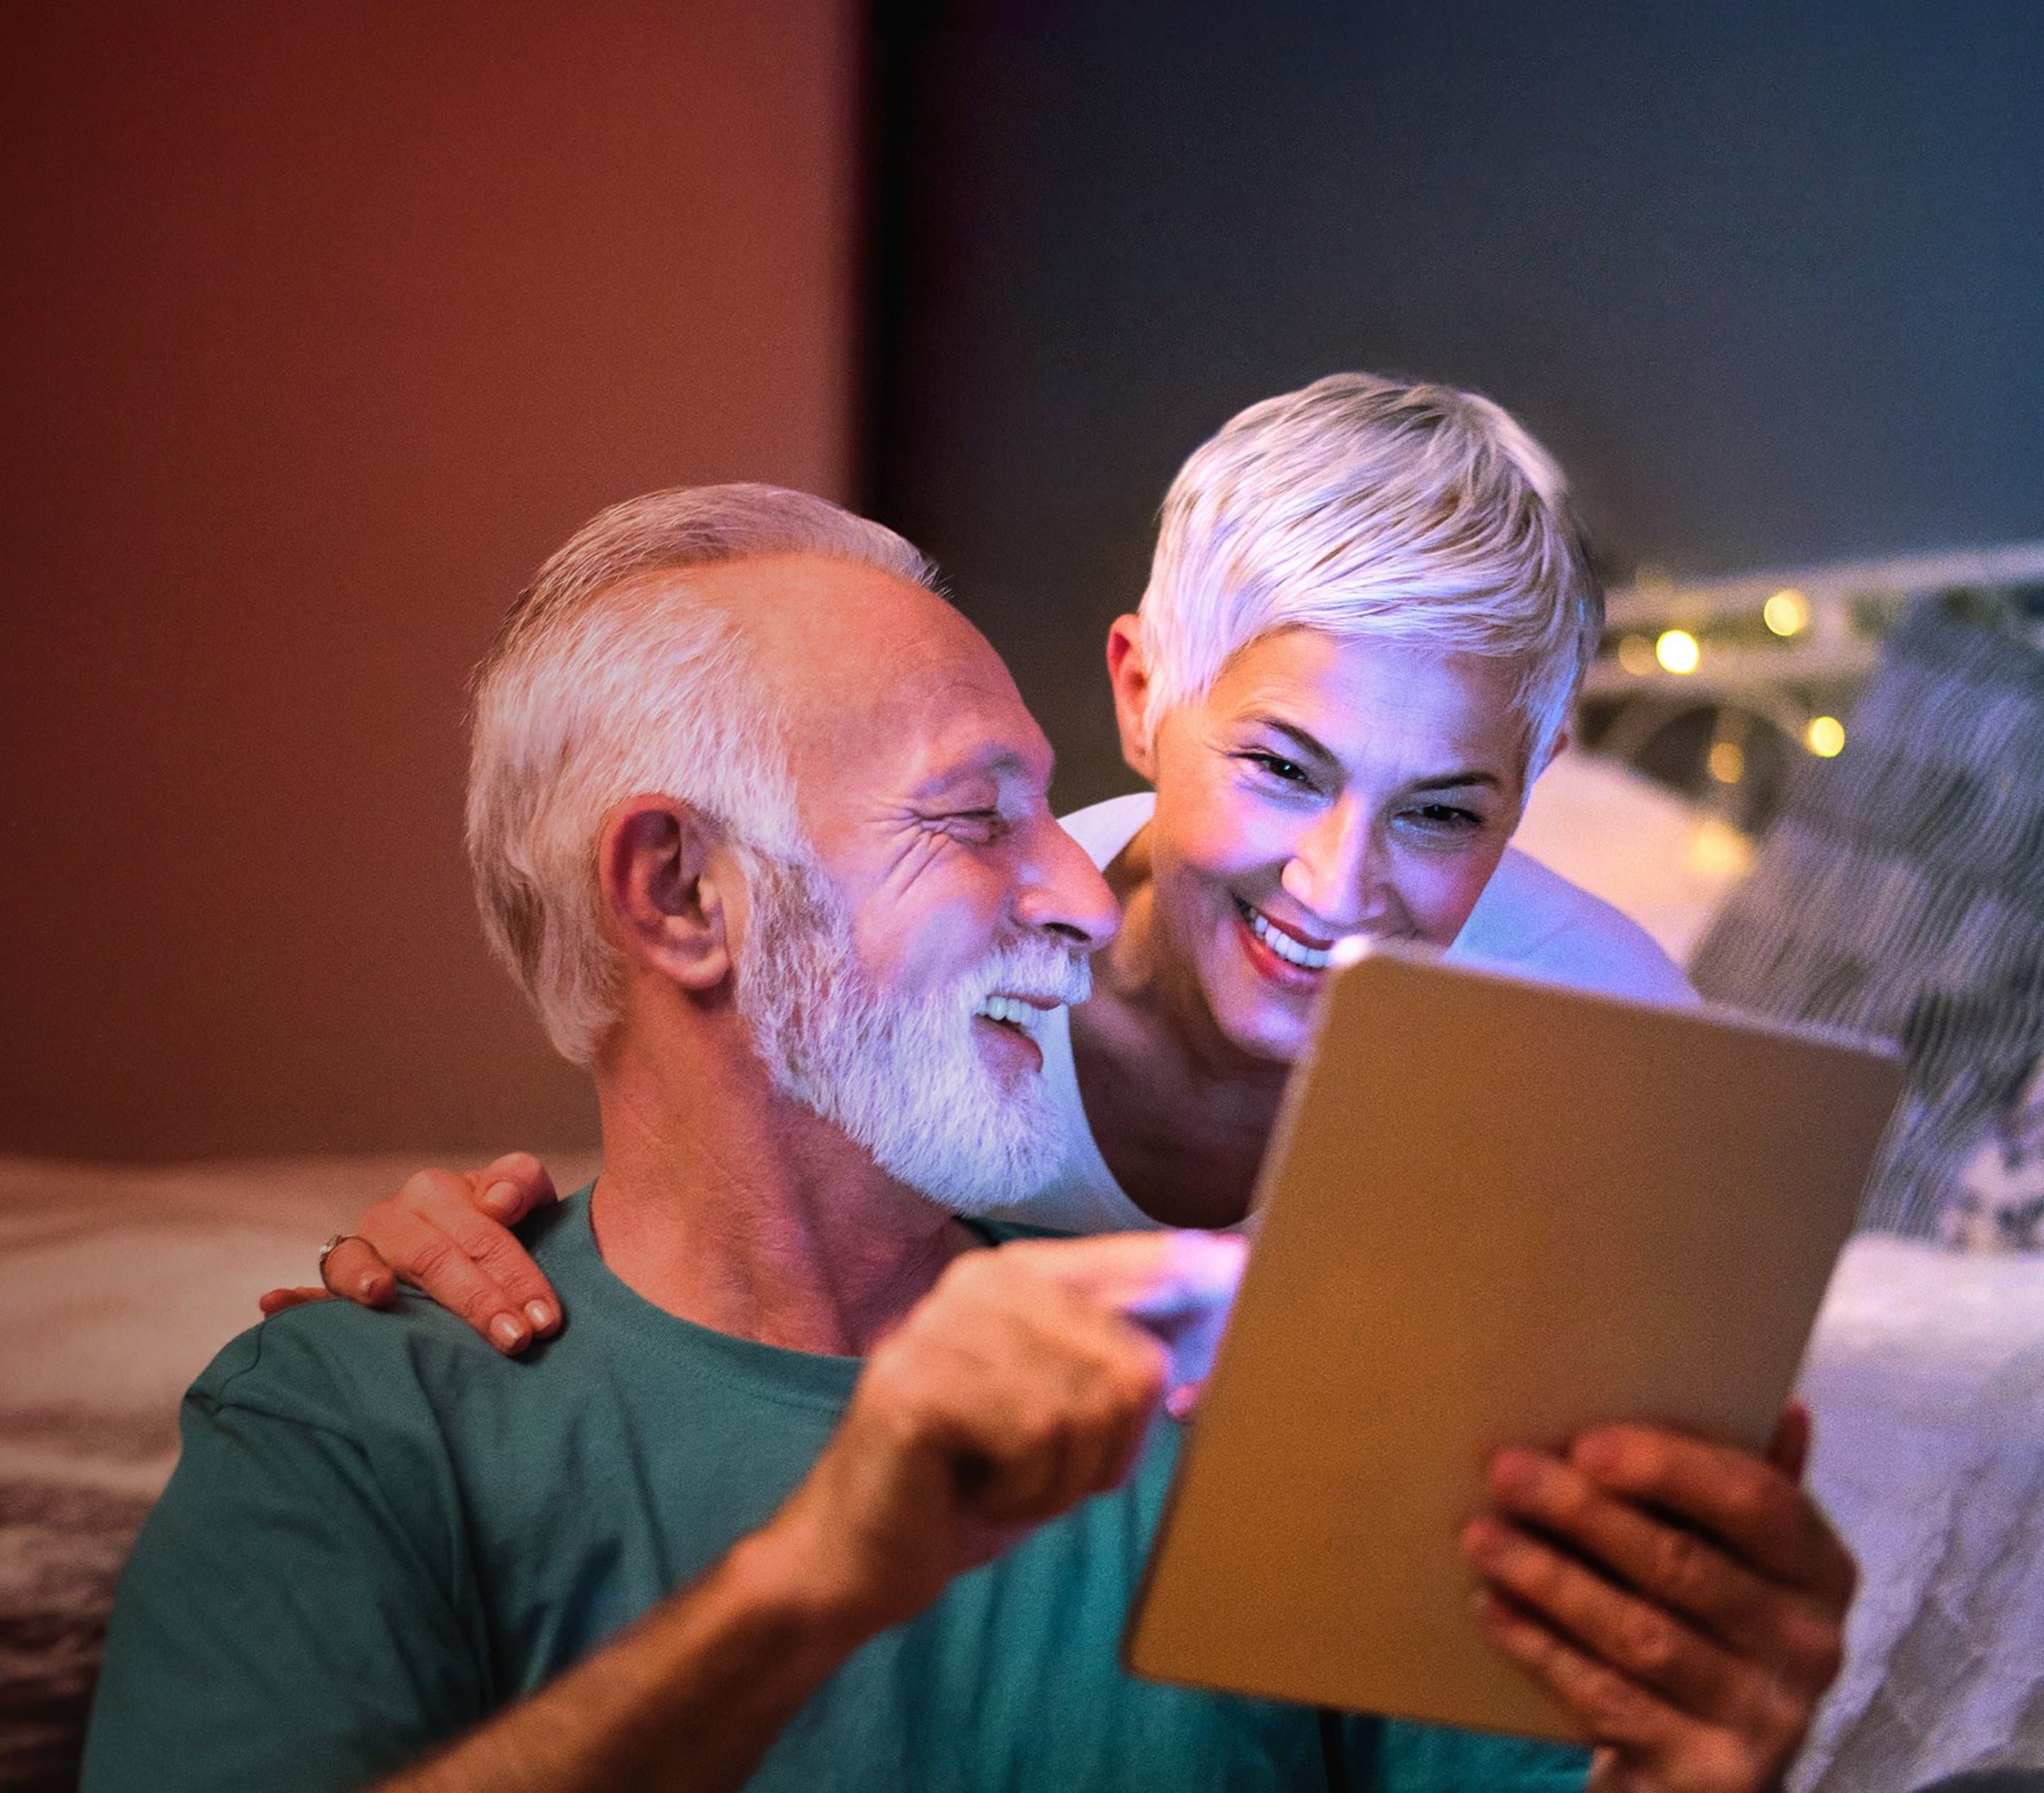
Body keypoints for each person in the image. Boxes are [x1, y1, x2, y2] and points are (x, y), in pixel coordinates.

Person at [79, 484, 1847, 1793]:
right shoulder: (356, 1418)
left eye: (1059, 804)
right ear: (683, 895)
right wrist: (816, 1582)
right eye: (979, 819)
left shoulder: (1251, 1394)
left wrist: (1706, 1770)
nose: (1091, 892)